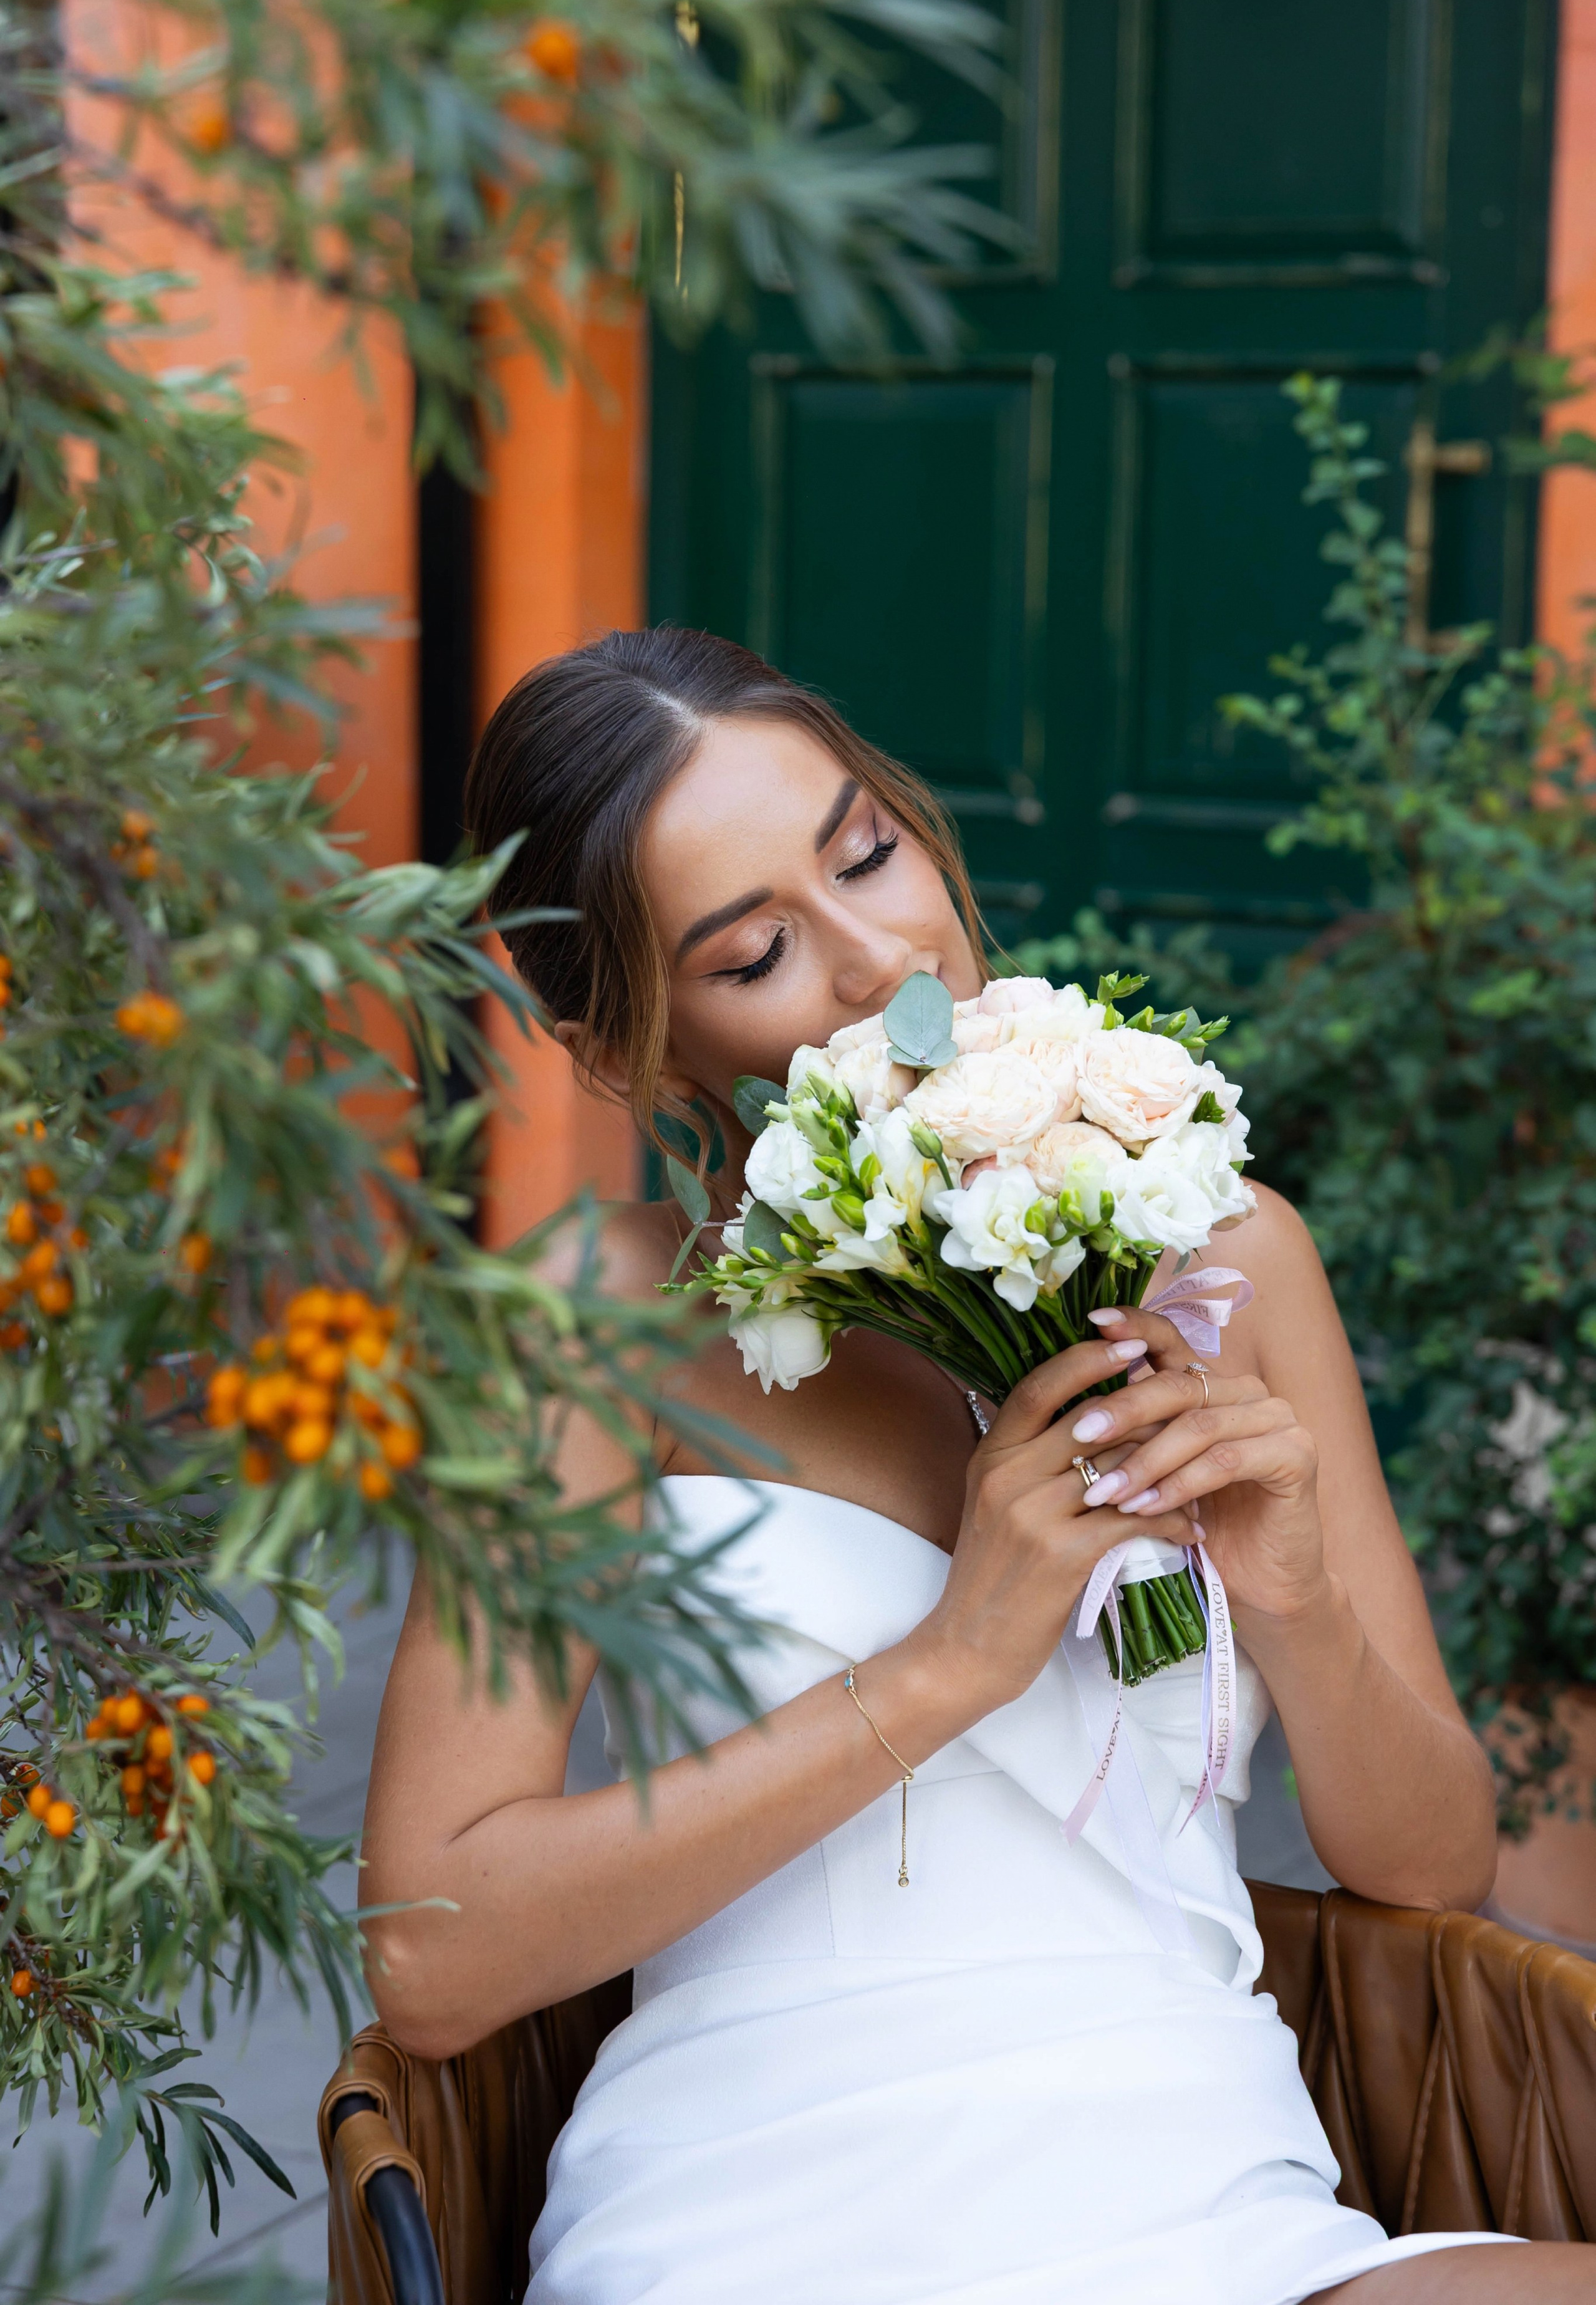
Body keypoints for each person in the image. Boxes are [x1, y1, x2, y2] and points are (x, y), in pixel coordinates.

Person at [361, 628, 1590, 2303]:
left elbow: (1433, 1865)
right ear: (632, 1057)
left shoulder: (1230, 1256)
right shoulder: (596, 1320)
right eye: (756, 952)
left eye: (868, 851)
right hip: (771, 2208)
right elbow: (432, 1957)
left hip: (1210, 2181)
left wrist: (1291, 1598)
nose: (880, 959)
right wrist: (953, 1662)